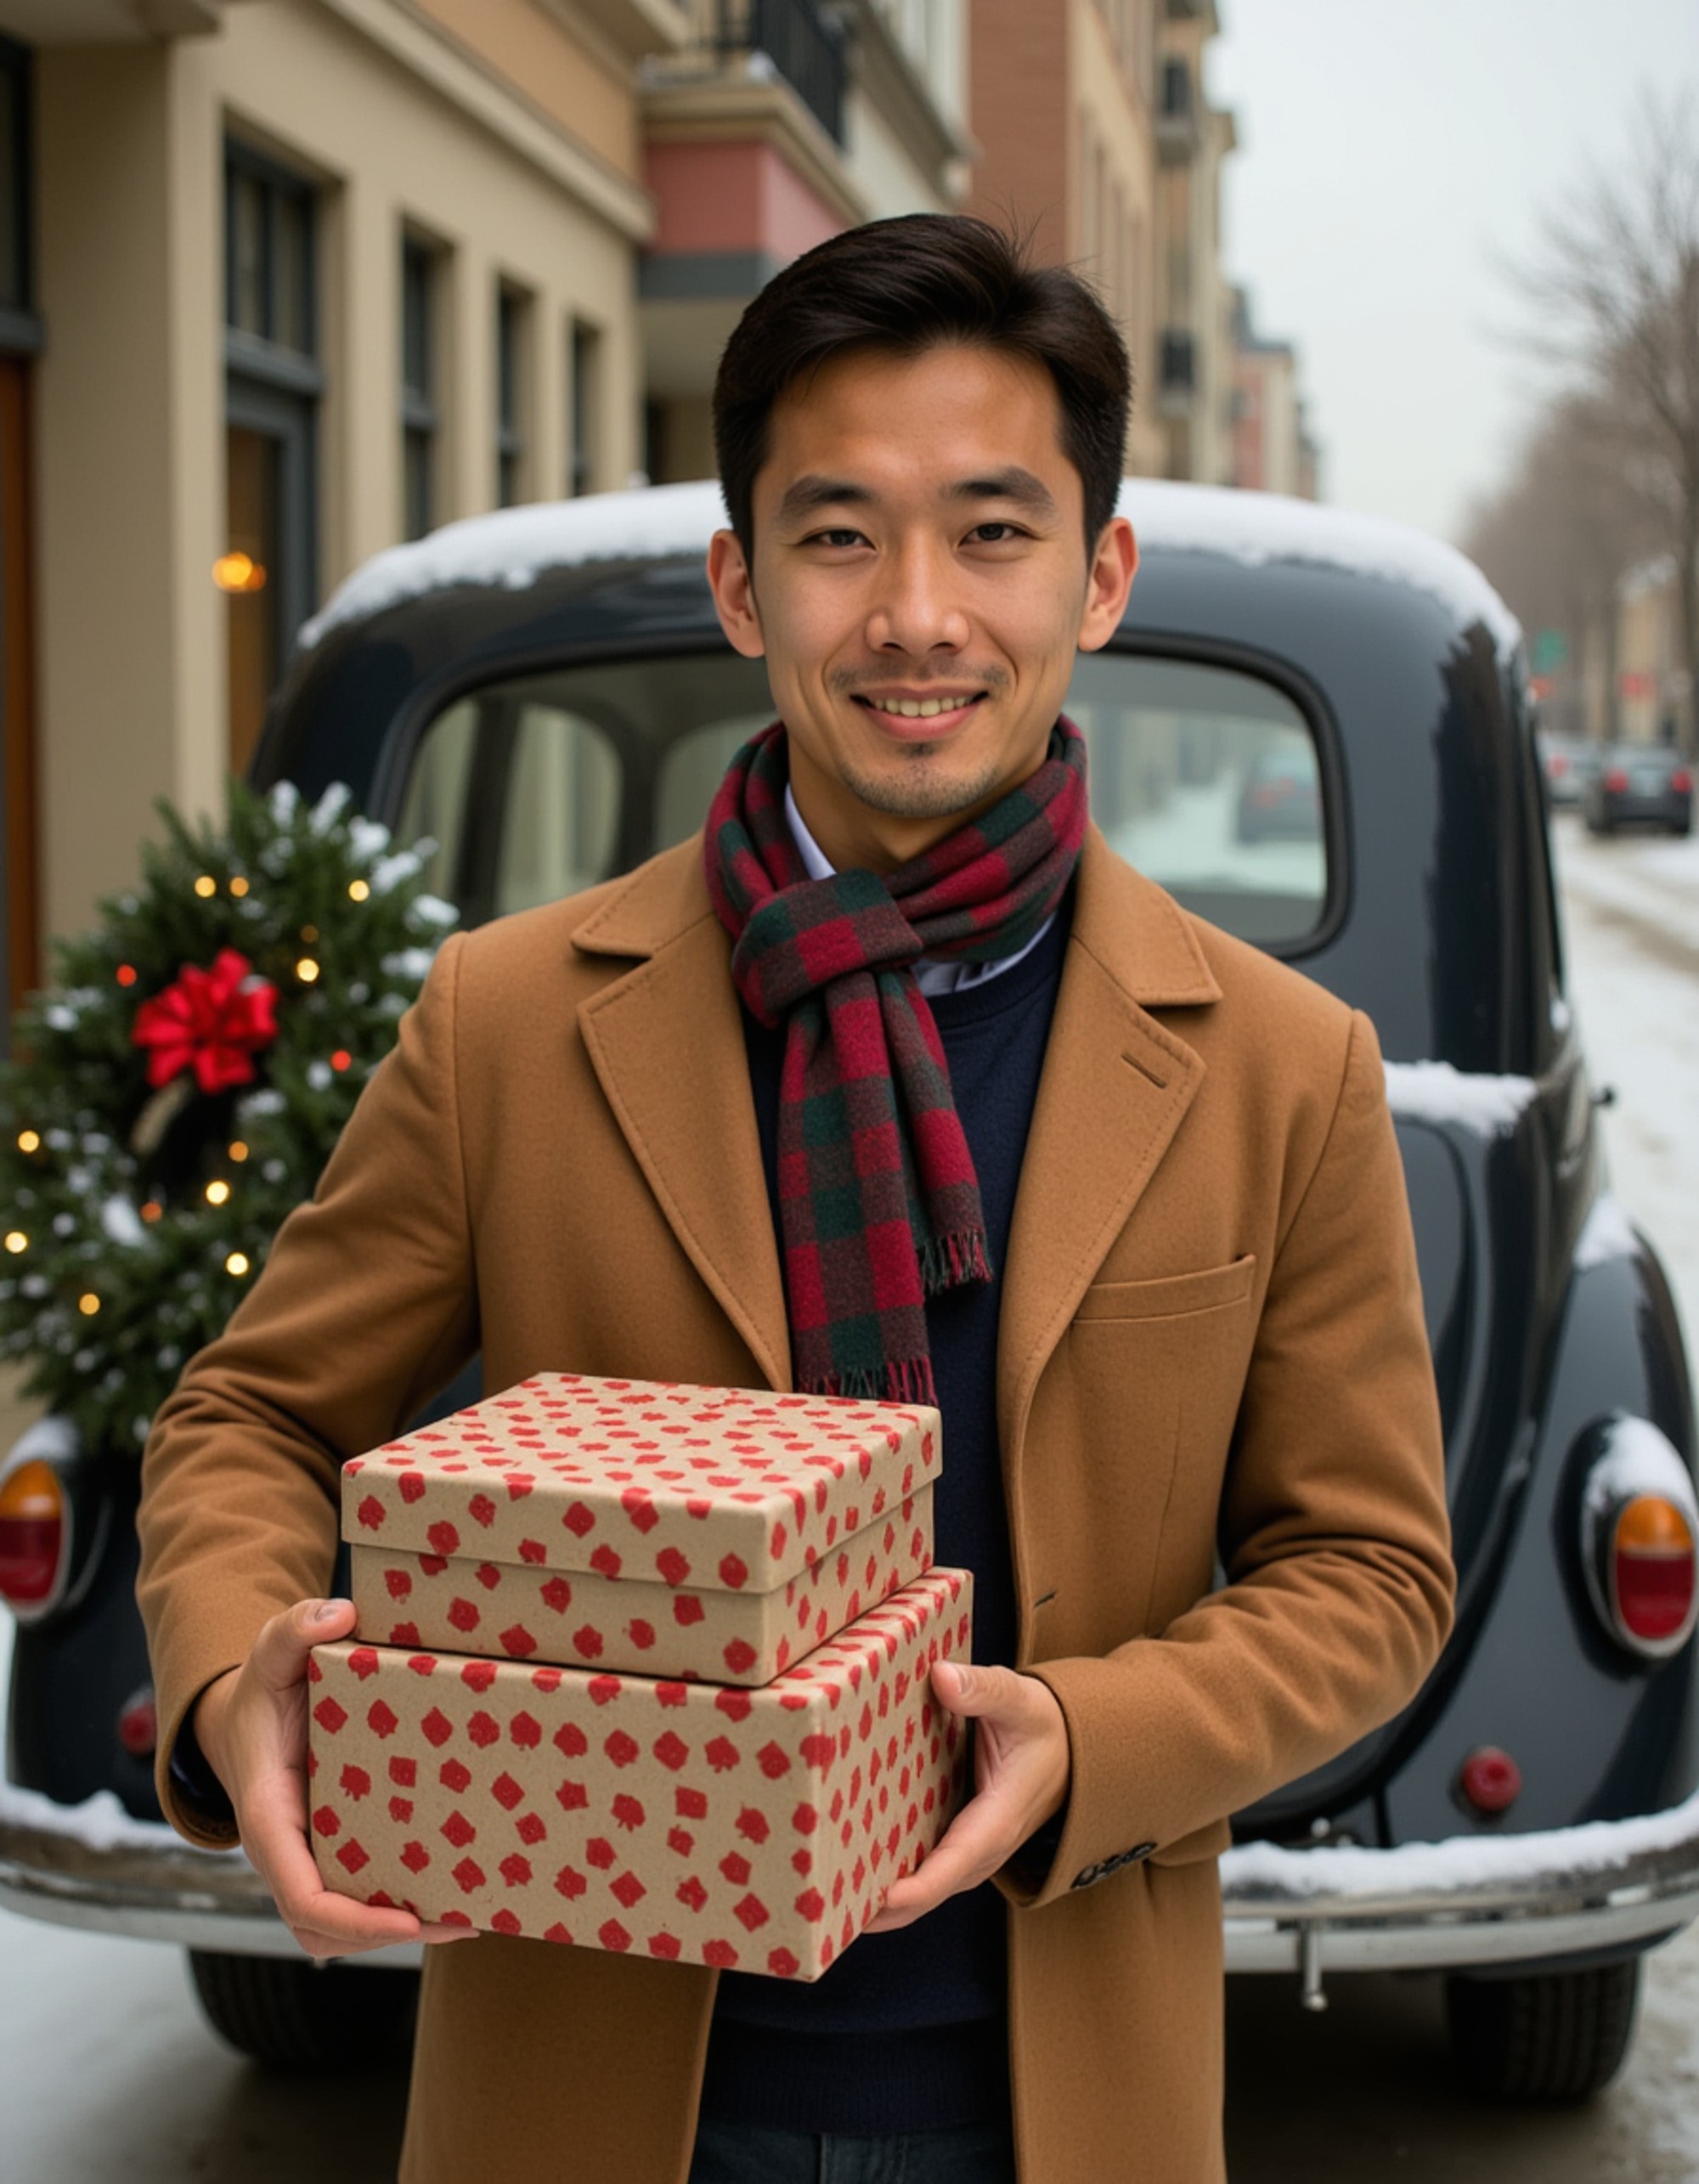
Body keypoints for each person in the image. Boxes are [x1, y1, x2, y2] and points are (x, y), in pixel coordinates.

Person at [137, 215, 1454, 2184]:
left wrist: (1091, 1736)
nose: (917, 612)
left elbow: (1370, 1574)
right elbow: (248, 1417)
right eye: (839, 535)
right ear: (741, 585)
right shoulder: (509, 1019)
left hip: (1057, 2092)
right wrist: (244, 1666)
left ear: (1100, 575)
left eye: (992, 531)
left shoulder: (1280, 1064)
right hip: (583, 2087)